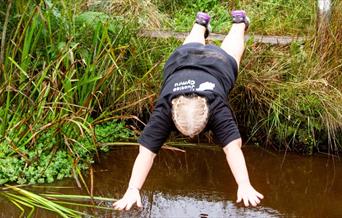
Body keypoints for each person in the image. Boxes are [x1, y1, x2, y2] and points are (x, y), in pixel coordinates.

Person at [113, 10, 264, 210]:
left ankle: (234, 23)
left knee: (229, 54)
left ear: (208, 112)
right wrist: (133, 188)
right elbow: (145, 154)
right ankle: (208, 24)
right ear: (172, 114)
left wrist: (244, 184)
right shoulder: (165, 108)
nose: (191, 137)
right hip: (182, 64)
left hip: (210, 64)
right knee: (193, 49)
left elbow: (233, 149)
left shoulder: (217, 106)